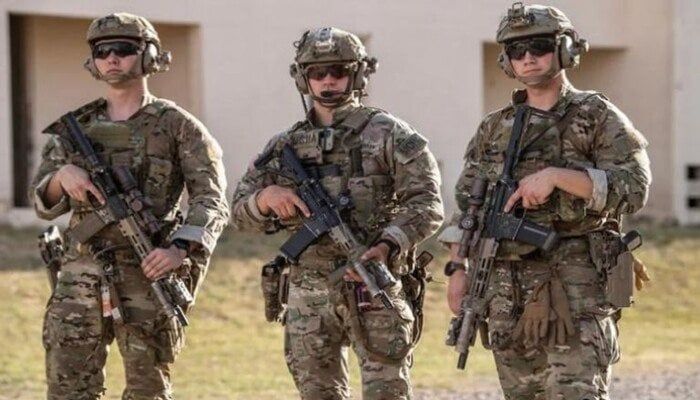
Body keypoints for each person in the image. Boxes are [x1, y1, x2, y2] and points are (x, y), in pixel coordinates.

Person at [438, 3, 652, 400]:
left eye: (538, 46)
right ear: (506, 60)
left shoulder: (597, 116)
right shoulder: (495, 127)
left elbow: (635, 187)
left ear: (565, 49)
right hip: (505, 293)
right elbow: (467, 206)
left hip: (575, 292)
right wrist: (457, 269)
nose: (528, 57)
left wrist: (558, 177)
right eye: (516, 50)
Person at [231, 27, 444, 400]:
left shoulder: (389, 133)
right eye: (317, 72)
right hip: (310, 292)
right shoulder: (283, 146)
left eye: (338, 71)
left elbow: (427, 202)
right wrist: (265, 198)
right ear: (303, 78)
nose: (328, 80)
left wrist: (387, 245)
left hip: (373, 282)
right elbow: (238, 214)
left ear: (358, 74)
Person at [31, 12, 229, 399]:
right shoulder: (74, 129)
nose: (111, 58)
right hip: (80, 275)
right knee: (68, 388)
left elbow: (211, 199)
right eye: (102, 51)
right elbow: (43, 202)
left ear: (149, 56)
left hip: (147, 272)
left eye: (123, 49)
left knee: (147, 391)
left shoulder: (178, 126)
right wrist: (61, 177)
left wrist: (179, 249)